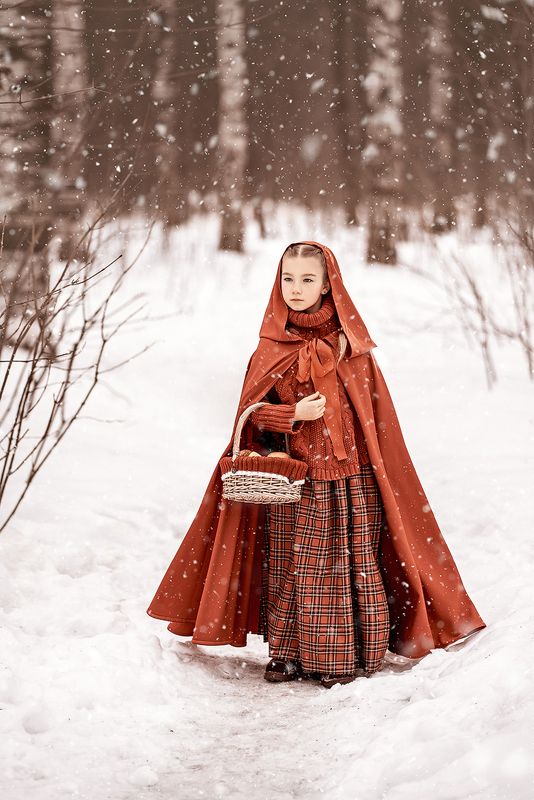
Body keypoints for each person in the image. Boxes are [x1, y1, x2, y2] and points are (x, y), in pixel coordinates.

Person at [146, 240, 486, 690]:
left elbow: (374, 421)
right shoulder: (271, 348)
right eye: (288, 278)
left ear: (328, 286)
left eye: (307, 279)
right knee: (295, 564)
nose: (296, 288)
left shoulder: (352, 349)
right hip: (295, 477)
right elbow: (250, 417)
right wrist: (292, 415)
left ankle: (344, 656)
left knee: (349, 562)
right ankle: (287, 654)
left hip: (351, 476)